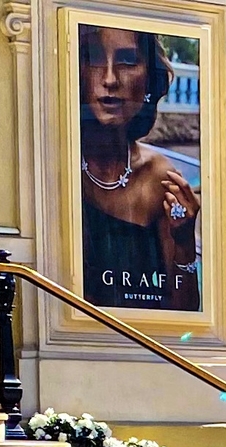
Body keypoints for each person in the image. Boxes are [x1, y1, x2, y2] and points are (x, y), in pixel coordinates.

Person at [77, 23, 201, 311]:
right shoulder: (56, 165)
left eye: (127, 60)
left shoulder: (160, 177)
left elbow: (185, 314)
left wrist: (183, 244)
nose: (109, 78)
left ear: (149, 79)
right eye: (94, 59)